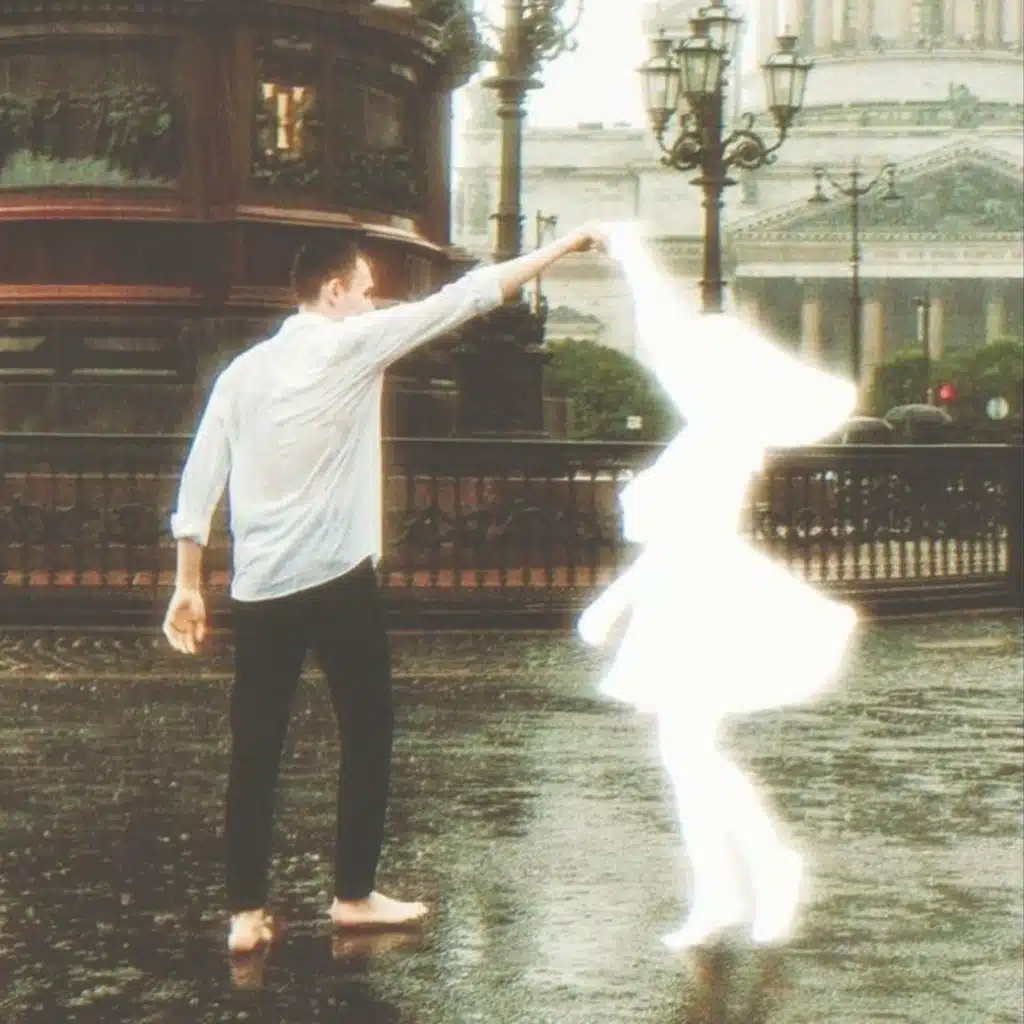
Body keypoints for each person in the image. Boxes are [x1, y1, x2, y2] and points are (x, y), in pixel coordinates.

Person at [162, 223, 606, 954]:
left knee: (256, 747)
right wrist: (566, 245)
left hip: (261, 587)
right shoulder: (355, 344)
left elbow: (200, 478)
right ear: (335, 291)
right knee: (367, 732)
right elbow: (471, 296)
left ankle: (244, 914)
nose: (374, 304)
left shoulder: (241, 374)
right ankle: (353, 895)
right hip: (340, 581)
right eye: (367, 291)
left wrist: (187, 584)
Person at [578, 222, 858, 951]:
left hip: (700, 594)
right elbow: (664, 336)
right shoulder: (707, 434)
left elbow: (684, 535)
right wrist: (631, 255)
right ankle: (729, 889)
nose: (677, 369)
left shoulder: (720, 438)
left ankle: (758, 871)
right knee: (686, 755)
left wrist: (611, 603)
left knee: (689, 754)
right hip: (688, 589)